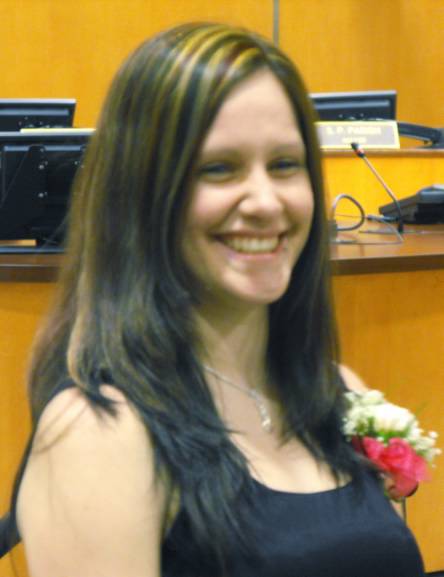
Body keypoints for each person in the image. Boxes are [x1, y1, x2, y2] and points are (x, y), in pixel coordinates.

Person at [3, 22, 424, 577]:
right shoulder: (98, 433)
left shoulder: (338, 391)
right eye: (218, 169)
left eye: (285, 164)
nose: (265, 202)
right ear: (140, 194)